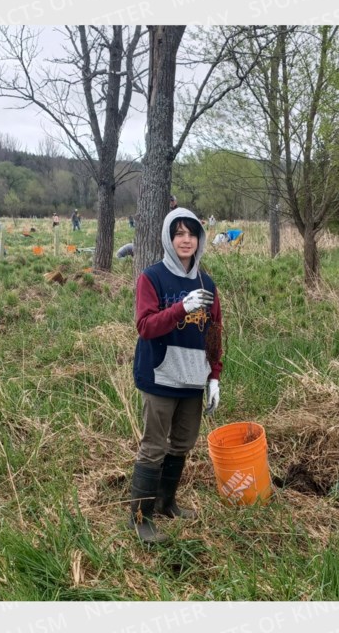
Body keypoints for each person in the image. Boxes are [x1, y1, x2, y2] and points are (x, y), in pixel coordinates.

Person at [129, 207, 223, 543]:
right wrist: (181, 307)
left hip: (193, 379)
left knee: (181, 444)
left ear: (200, 239)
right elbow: (145, 326)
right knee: (154, 446)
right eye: (179, 233)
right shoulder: (152, 278)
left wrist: (214, 376)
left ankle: (166, 502)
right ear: (169, 239)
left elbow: (214, 331)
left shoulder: (206, 282)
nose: (186, 240)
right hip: (160, 375)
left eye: (192, 233)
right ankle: (140, 517)